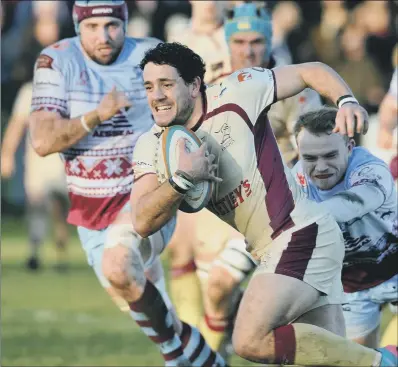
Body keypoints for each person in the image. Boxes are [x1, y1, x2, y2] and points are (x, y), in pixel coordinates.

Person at [130, 41, 398, 366]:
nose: (156, 95)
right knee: (329, 360)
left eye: (166, 84)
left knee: (248, 338)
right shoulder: (150, 144)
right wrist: (181, 180)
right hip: (269, 249)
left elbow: (310, 71)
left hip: (301, 232)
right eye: (148, 86)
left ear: (194, 84)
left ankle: (382, 362)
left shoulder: (237, 91)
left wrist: (346, 101)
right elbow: (142, 220)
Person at [28, 1, 225, 366]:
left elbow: (195, 104)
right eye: (92, 27)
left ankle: (174, 357)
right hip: (90, 211)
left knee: (119, 265)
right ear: (76, 26)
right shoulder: (57, 61)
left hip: (146, 191)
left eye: (112, 25)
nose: (103, 36)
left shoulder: (148, 55)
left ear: (125, 22)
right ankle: (202, 359)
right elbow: (42, 141)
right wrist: (96, 116)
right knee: (143, 303)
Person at [292, 106, 398, 348]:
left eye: (330, 155)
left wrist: (284, 224)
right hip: (352, 285)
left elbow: (349, 205)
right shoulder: (295, 180)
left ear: (350, 148)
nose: (320, 167)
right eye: (309, 158)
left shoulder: (371, 170)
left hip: (395, 266)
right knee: (362, 361)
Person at [1, 81, 69, 271]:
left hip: (65, 160)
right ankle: (34, 252)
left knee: (58, 209)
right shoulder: (29, 92)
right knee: (37, 206)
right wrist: (7, 155)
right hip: (38, 159)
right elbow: (17, 125)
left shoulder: (69, 88)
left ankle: (60, 253)